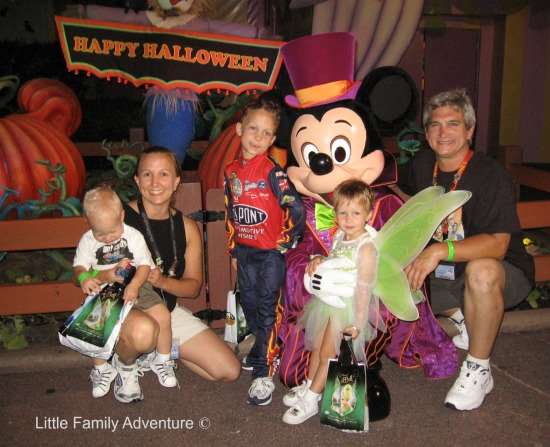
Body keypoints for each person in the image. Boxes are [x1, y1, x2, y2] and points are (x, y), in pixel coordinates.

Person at [398, 88, 534, 411]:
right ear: (427, 132)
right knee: (391, 279)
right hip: (447, 275)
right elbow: (403, 202)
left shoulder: (491, 175)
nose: (442, 132)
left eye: (453, 124)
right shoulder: (421, 164)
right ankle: (464, 317)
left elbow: (499, 245)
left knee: (481, 270)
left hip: (501, 273)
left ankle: (478, 368)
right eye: (434, 124)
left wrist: (437, 251)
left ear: (470, 130)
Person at [100, 146, 240, 404]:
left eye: (164, 174)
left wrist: (161, 281)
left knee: (228, 371)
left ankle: (161, 351)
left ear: (176, 182)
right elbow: (94, 271)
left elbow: (193, 287)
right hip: (123, 310)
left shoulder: (187, 227)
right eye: (147, 175)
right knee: (143, 330)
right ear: (137, 181)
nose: (155, 183)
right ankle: (125, 364)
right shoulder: (118, 220)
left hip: (167, 312)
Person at [224, 95, 305, 406]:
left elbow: (294, 207)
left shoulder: (273, 171)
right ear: (239, 129)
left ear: (273, 139)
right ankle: (262, 349)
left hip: (269, 255)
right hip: (245, 253)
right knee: (253, 306)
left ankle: (263, 372)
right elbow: (230, 209)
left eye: (266, 133)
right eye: (252, 129)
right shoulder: (231, 170)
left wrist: (284, 243)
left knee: (269, 310)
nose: (258, 137)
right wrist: (233, 249)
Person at [282, 179, 378, 425]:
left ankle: (312, 398)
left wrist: (357, 322)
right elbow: (334, 259)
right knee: (316, 348)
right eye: (342, 212)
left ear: (369, 214)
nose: (348, 218)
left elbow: (364, 288)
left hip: (347, 308)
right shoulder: (340, 236)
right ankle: (309, 384)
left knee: (329, 353)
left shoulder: (366, 247)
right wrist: (317, 259)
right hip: (328, 303)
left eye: (356, 213)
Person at [73, 185, 178, 401]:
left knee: (163, 316)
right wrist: (85, 278)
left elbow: (144, 267)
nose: (108, 238)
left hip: (138, 285)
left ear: (122, 215)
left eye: (112, 231)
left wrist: (134, 286)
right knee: (96, 330)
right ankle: (102, 369)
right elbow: (79, 267)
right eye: (100, 233)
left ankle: (163, 360)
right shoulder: (87, 240)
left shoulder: (133, 235)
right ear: (88, 222)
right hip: (105, 291)